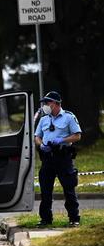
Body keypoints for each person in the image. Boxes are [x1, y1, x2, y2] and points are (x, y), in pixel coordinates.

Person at [34, 91, 82, 227]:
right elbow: (37, 136)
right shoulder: (44, 119)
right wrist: (41, 144)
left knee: (69, 189)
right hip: (48, 158)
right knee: (45, 190)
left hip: (63, 158)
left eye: (47, 103)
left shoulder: (68, 117)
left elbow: (77, 136)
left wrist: (62, 140)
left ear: (55, 103)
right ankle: (45, 219)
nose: (45, 105)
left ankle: (74, 218)